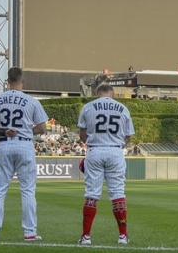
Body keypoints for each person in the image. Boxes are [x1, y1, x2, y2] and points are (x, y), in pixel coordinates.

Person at [0, 67, 48, 242]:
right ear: (22, 80)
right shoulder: (32, 101)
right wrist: (26, 131)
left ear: (7, 81)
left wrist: (2, 131)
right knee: (27, 191)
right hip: (24, 144)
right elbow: (42, 128)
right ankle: (30, 232)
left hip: (4, 144)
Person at [77, 84, 135, 246]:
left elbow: (82, 134)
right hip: (115, 151)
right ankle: (123, 236)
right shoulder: (122, 108)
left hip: (95, 150)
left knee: (91, 194)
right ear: (113, 94)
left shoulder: (88, 107)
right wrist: (117, 147)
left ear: (97, 94)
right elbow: (128, 136)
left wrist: (92, 146)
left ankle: (86, 237)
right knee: (117, 193)